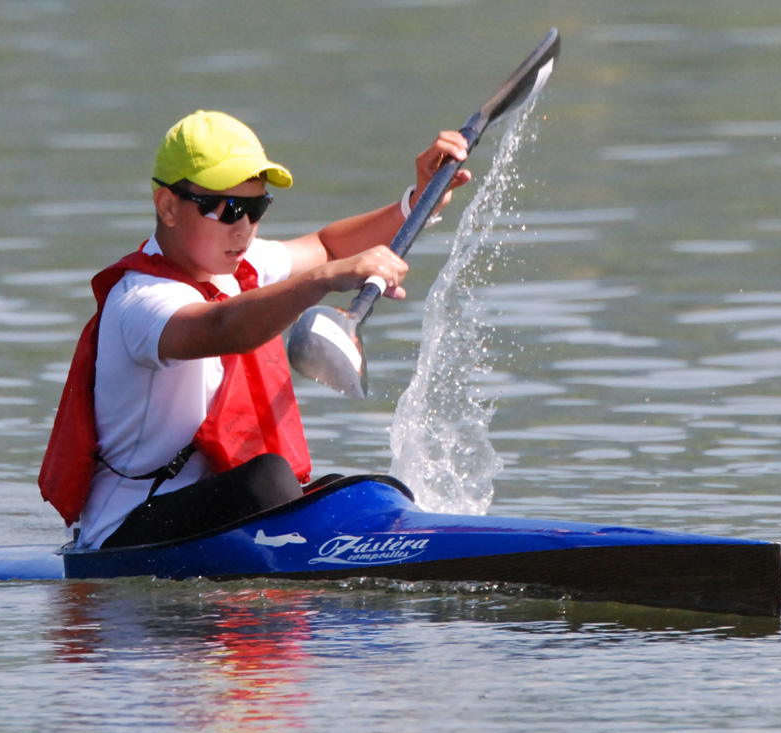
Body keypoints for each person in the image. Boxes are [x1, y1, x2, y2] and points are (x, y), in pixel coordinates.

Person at [39, 109, 472, 549]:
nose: (243, 227)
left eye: (255, 207)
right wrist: (325, 279)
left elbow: (326, 246)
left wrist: (420, 199)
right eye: (226, 208)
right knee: (268, 479)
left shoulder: (237, 267)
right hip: (123, 537)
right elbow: (221, 326)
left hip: (207, 520)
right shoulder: (140, 301)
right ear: (168, 206)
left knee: (349, 491)